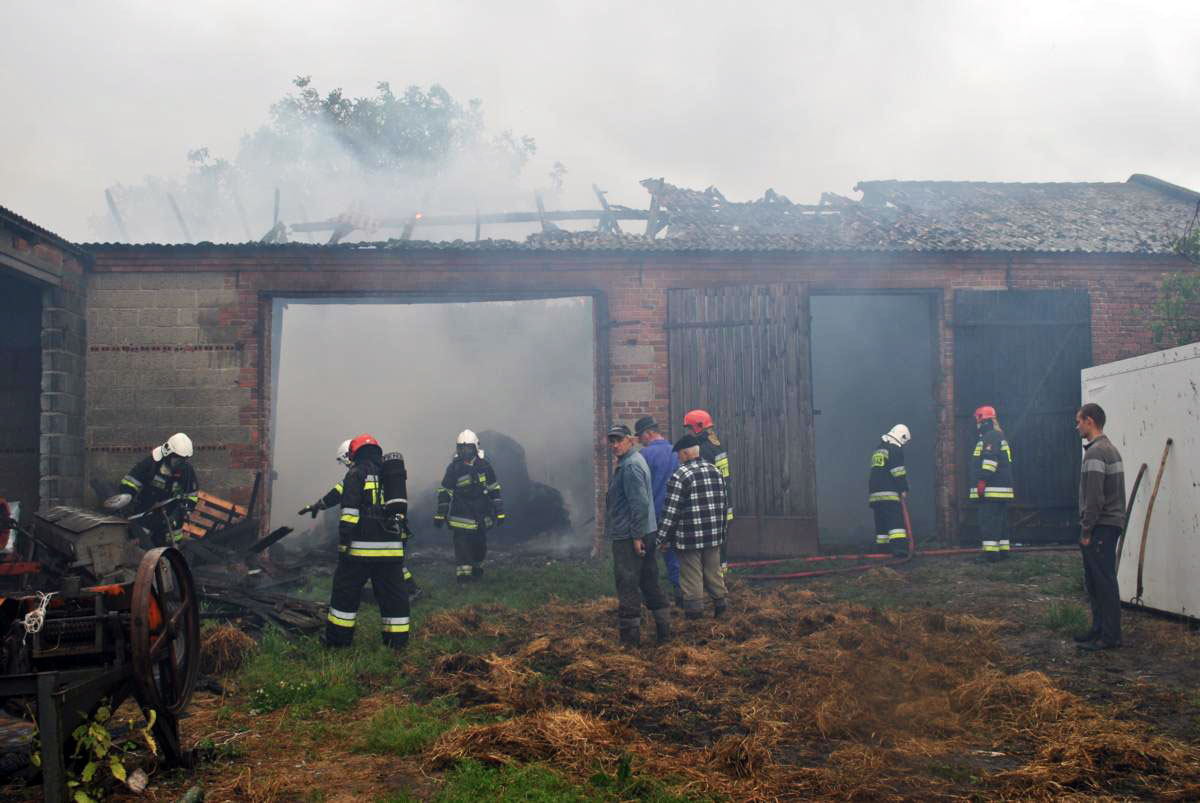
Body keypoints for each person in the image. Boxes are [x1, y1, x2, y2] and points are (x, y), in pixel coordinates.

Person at [300, 438, 421, 600]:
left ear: (349, 456)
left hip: (380, 528)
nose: (347, 465)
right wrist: (318, 505)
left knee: (389, 564)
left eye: (345, 460)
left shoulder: (359, 474)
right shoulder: (380, 470)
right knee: (393, 563)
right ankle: (405, 591)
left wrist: (344, 538)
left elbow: (340, 493)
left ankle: (410, 590)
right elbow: (337, 493)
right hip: (394, 526)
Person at [325, 433, 410, 650]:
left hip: (360, 551)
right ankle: (397, 644)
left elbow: (350, 513)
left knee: (345, 593)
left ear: (355, 452)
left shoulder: (356, 473)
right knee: (393, 596)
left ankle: (338, 642)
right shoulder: (389, 473)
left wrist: (344, 543)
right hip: (390, 550)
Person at [605, 424, 671, 646]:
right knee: (649, 580)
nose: (615, 445)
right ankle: (665, 633)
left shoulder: (631, 466)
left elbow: (640, 504)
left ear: (631, 440)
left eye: (619, 440)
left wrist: (636, 537)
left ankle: (630, 642)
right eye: (612, 441)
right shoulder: (632, 462)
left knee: (628, 583)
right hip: (645, 531)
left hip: (630, 536)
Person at [657, 433, 729, 620]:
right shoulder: (715, 471)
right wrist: (722, 534)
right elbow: (723, 505)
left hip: (689, 539)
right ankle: (721, 607)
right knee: (714, 572)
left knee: (691, 576)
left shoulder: (680, 475)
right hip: (713, 536)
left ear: (686, 453)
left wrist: (661, 538)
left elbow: (671, 512)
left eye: (679, 454)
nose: (678, 459)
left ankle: (695, 617)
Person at [1074, 403, 1126, 651]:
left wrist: (1086, 530)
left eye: (1079, 421)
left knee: (1102, 581)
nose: (1077, 426)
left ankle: (1110, 636)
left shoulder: (1095, 453)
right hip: (1108, 524)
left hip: (1100, 526)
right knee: (1097, 580)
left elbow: (1094, 498)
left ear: (1090, 421)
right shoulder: (1111, 449)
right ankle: (1099, 629)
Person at [434, 429, 505, 582]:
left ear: (475, 448)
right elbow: (445, 491)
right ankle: (464, 577)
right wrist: (441, 513)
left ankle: (476, 567)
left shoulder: (485, 466)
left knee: (480, 548)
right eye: (461, 448)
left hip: (481, 516)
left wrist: (499, 512)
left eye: (468, 448)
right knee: (462, 548)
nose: (464, 452)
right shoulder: (454, 468)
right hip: (461, 516)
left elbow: (494, 489)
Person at [118, 432, 199, 545]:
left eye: (182, 461)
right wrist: (127, 497)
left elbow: (192, 495)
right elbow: (131, 481)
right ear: (168, 453)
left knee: (170, 552)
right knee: (141, 546)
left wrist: (182, 511)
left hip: (171, 520)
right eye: (176, 461)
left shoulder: (187, 471)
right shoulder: (151, 464)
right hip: (146, 514)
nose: (179, 465)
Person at [635, 415, 682, 605]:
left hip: (652, 515)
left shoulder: (644, 455)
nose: (639, 440)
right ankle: (681, 595)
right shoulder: (676, 452)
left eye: (640, 436)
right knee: (674, 555)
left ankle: (652, 597)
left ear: (649, 433)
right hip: (674, 513)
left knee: (647, 557)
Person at [683, 410, 734, 573]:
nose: (688, 432)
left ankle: (715, 582)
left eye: (689, 429)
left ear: (698, 427)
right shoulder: (716, 444)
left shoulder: (703, 449)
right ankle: (723, 578)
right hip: (724, 501)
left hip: (712, 503)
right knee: (721, 544)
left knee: (711, 547)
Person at [970, 405, 1014, 560]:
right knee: (1000, 521)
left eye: (978, 420)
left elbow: (989, 462)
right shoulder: (998, 435)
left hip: (991, 489)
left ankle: (990, 554)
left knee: (988, 520)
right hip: (1000, 489)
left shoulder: (990, 437)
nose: (977, 424)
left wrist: (982, 480)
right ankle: (1003, 551)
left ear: (984, 421)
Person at [868, 425, 912, 558]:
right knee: (895, 522)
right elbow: (898, 471)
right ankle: (900, 550)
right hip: (889, 494)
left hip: (875, 494)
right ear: (902, 437)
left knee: (881, 523)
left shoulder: (879, 449)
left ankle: (882, 550)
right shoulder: (894, 449)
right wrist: (904, 488)